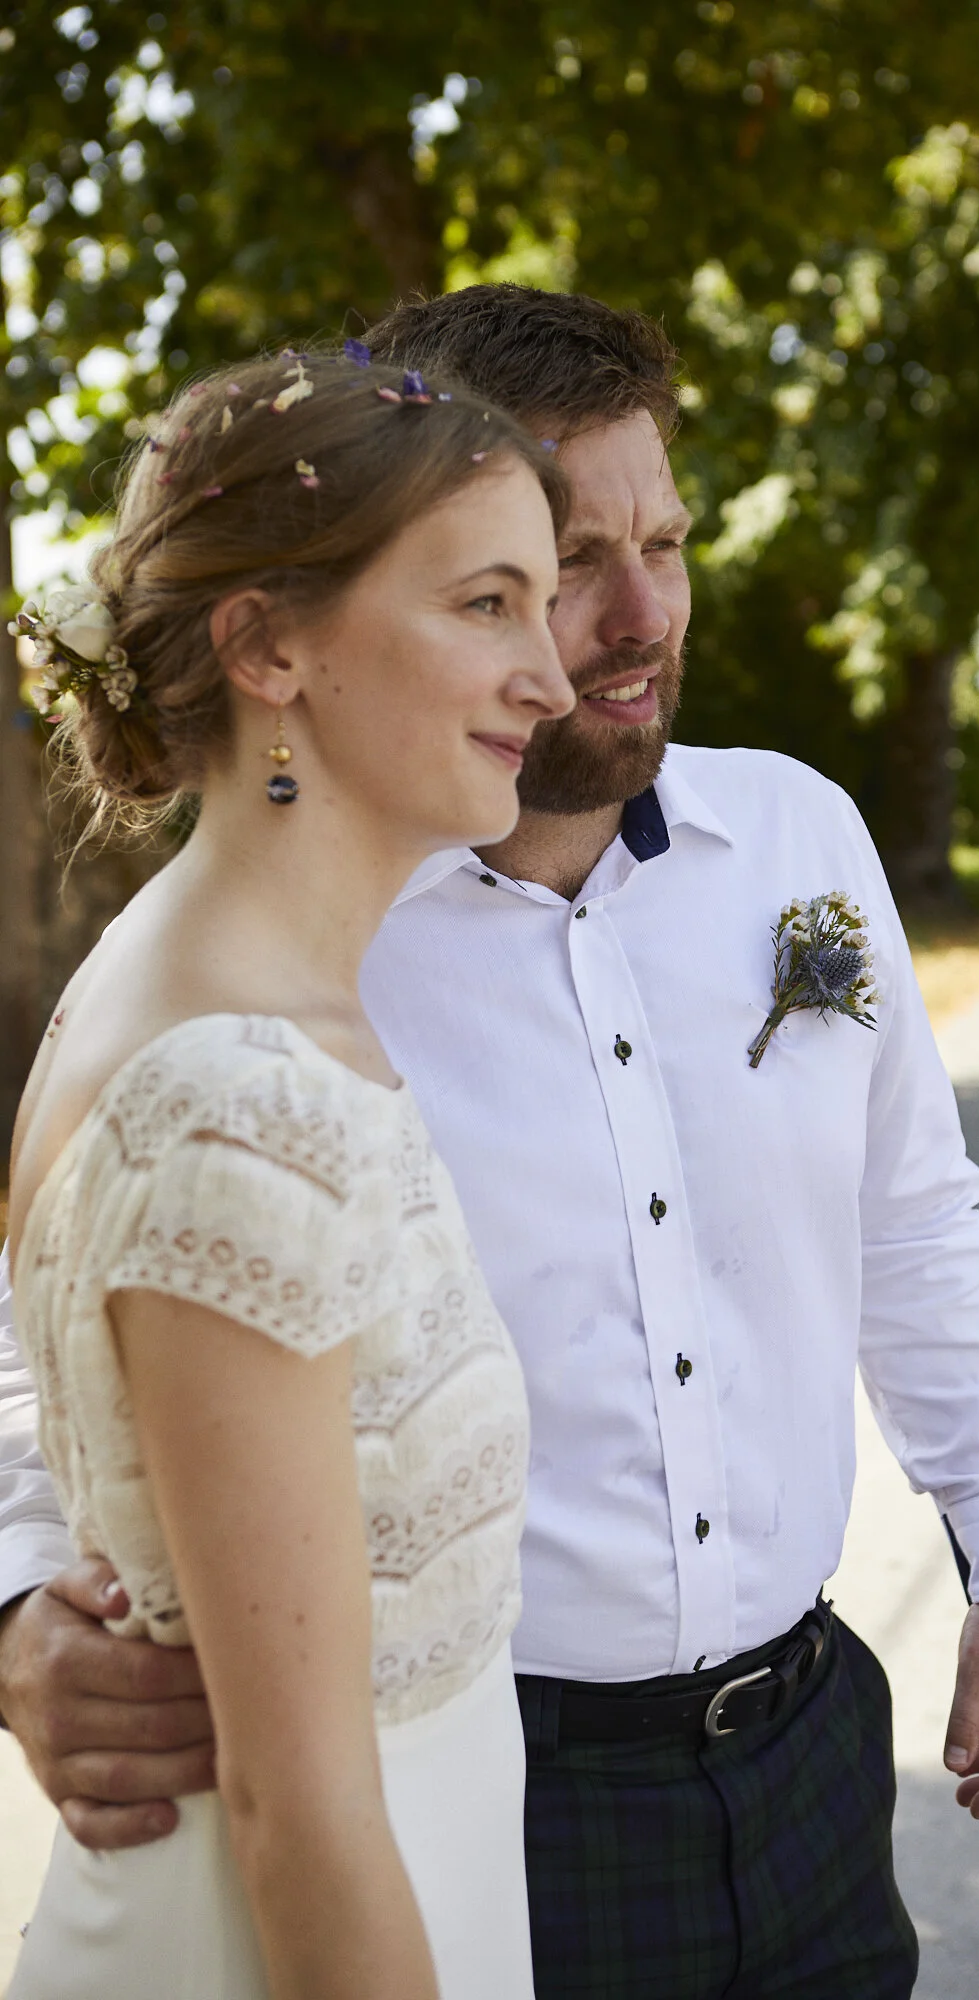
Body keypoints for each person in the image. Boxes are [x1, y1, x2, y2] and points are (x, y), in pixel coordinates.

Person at [0, 289, 979, 1999]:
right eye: (553, 566)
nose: (635, 616)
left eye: (669, 540)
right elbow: (67, 1320)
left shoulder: (803, 836)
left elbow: (912, 1219)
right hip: (484, 1795)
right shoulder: (294, 948)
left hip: (810, 1751)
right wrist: (13, 1614)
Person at [0, 350, 574, 1998]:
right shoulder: (237, 1102)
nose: (547, 673)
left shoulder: (201, 984)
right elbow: (299, 1806)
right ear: (269, 645)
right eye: (486, 602)